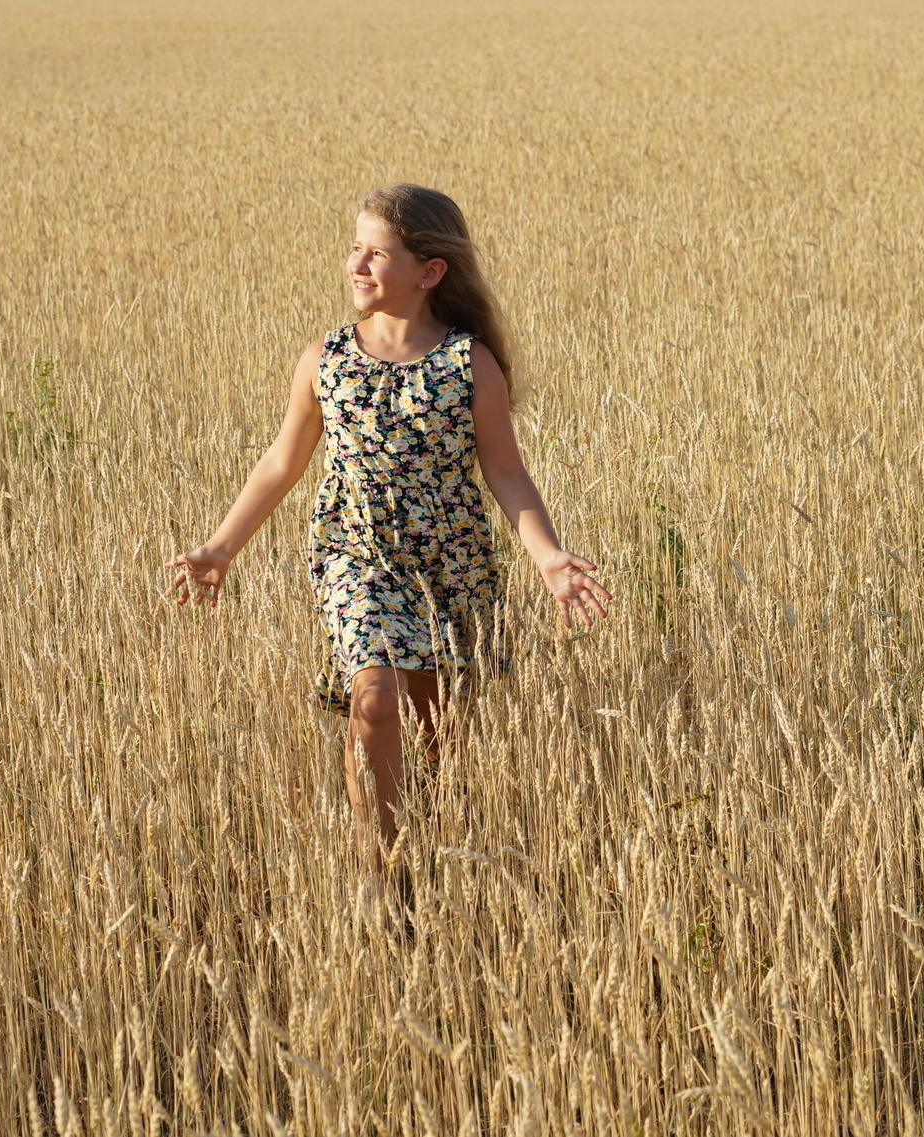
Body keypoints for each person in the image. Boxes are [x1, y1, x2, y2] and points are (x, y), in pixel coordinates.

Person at [168, 184, 611, 919]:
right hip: (356, 556)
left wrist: (550, 557)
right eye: (355, 246)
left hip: (450, 562)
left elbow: (504, 469)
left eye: (378, 251)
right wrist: (220, 547)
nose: (357, 262)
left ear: (429, 272)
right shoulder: (327, 359)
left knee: (438, 728)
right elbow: (283, 461)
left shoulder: (470, 365)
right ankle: (377, 871)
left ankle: (430, 841)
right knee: (373, 701)